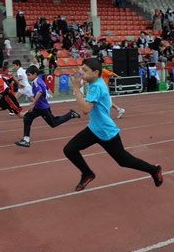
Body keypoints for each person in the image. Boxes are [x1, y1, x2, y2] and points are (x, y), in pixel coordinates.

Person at [62, 58, 163, 191]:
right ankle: (87, 173)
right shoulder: (94, 84)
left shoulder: (97, 86)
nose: (82, 73)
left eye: (85, 70)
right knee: (69, 150)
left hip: (106, 131)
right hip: (94, 129)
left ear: (96, 72)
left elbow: (85, 110)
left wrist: (76, 90)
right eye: (81, 69)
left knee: (124, 161)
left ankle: (154, 170)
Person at [15, 65, 81, 147]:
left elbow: (40, 92)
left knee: (53, 123)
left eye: (29, 75)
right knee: (27, 118)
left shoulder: (36, 82)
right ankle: (26, 140)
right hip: (38, 107)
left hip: (43, 108)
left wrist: (33, 104)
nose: (28, 77)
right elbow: (45, 88)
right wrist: (46, 95)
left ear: (35, 74)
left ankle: (70, 114)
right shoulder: (39, 80)